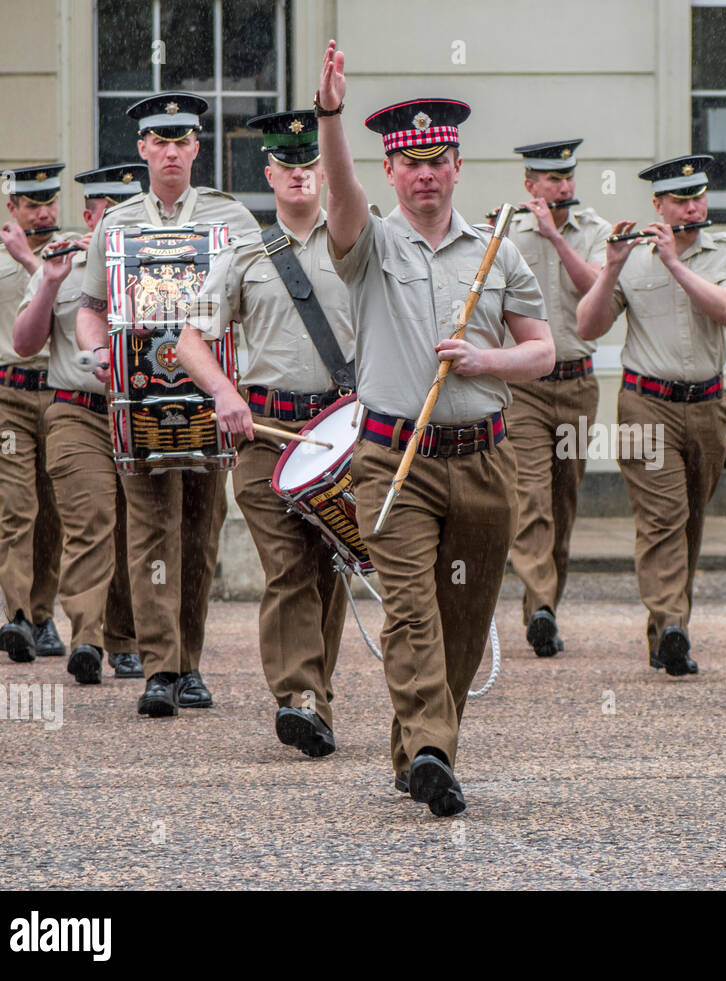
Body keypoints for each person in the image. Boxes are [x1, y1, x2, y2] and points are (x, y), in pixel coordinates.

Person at [316, 41, 553, 815]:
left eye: (437, 159)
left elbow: (543, 351)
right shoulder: (370, 244)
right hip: (394, 459)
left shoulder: (497, 248)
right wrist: (330, 116)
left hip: (483, 460)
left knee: (461, 618)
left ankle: (413, 746)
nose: (424, 173)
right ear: (391, 170)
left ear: (456, 165)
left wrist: (488, 363)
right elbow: (341, 194)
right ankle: (431, 751)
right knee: (412, 609)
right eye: (409, 161)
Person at [76, 91, 260, 717]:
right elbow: (89, 307)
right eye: (162, 141)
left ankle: (190, 664)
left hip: (209, 399)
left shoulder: (232, 219)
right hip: (137, 398)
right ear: (143, 149)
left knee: (199, 531)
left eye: (183, 141)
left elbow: (256, 301)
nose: (173, 151)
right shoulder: (117, 223)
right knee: (151, 526)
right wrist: (97, 352)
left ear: (196, 148)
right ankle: (160, 668)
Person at [178, 109, 355, 757]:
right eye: (290, 166)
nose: (301, 175)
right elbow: (190, 338)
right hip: (265, 430)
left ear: (323, 173)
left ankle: (317, 699)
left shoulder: (358, 242)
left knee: (328, 565)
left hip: (341, 431)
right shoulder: (243, 252)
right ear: (270, 173)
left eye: (312, 165)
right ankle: (298, 696)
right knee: (288, 564)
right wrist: (223, 391)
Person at [576, 154, 726, 675]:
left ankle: (665, 631)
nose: (692, 206)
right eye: (679, 199)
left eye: (698, 196)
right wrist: (610, 269)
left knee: (691, 520)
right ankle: (673, 622)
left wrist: (676, 265)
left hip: (708, 404)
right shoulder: (632, 255)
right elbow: (588, 327)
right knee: (662, 518)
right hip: (644, 403)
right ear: (659, 205)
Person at [12, 164, 145, 683]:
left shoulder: (152, 259)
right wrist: (48, 283)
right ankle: (87, 638)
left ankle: (128, 639)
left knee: (135, 529)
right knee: (91, 523)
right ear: (89, 214)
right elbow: (24, 344)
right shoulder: (61, 257)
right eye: (107, 212)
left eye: (126, 211)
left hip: (138, 413)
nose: (116, 221)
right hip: (76, 411)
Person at [500, 139, 611, 658]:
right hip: (525, 389)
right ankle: (541, 601)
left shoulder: (595, 232)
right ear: (530, 185)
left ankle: (543, 608)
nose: (563, 186)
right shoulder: (504, 232)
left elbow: (596, 295)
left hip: (577, 384)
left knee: (563, 502)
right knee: (532, 496)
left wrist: (556, 237)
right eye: (550, 178)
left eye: (567, 176)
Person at [0, 164, 65, 663]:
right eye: (32, 204)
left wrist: (32, 261)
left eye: (49, 201)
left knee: (54, 512)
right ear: (13, 209)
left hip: (62, 396)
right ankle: (18, 616)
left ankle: (43, 616)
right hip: (6, 397)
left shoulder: (73, 253)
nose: (43, 211)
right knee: (19, 505)